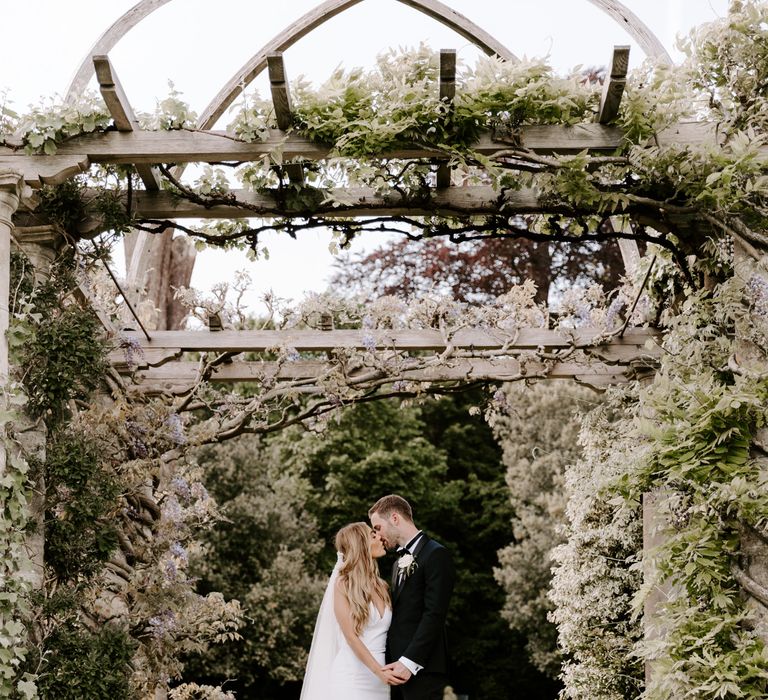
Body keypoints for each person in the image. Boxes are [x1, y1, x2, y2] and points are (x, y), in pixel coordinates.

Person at [300, 522, 403, 699]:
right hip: (351, 679)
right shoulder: (343, 585)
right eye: (373, 535)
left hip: (380, 681)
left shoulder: (382, 587)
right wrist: (378, 671)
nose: (380, 537)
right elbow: (350, 636)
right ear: (361, 545)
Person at [369, 495, 455, 700]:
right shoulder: (397, 563)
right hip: (394, 670)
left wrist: (409, 662)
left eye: (378, 527)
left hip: (421, 669)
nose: (378, 536)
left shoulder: (436, 554)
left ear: (395, 518)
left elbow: (434, 614)